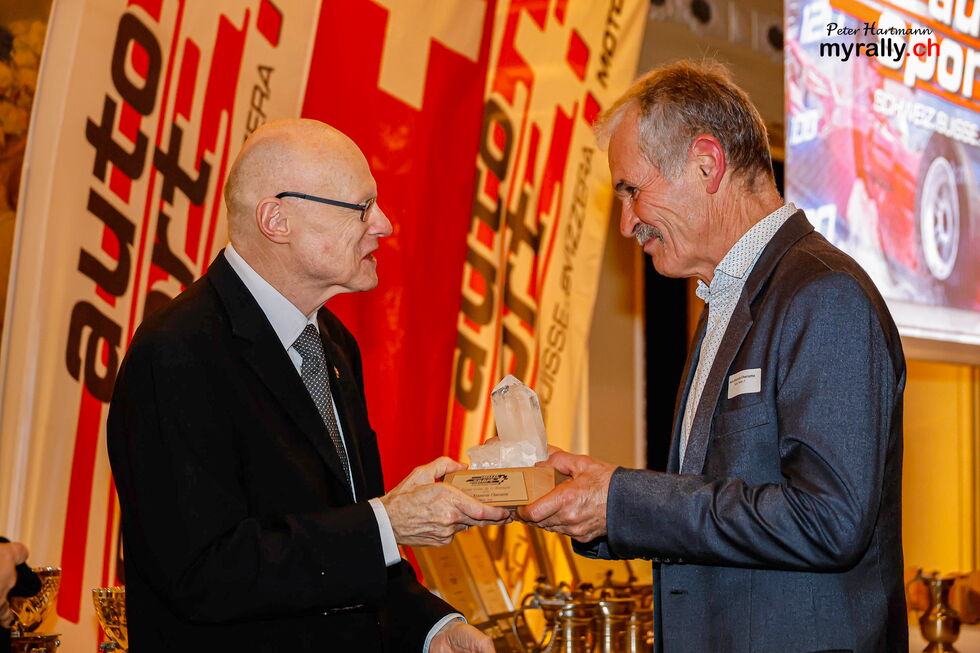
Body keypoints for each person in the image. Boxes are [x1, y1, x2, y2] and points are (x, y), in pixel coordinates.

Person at [517, 61, 907, 652]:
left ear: (706, 163)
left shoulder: (824, 295)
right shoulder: (728, 303)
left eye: (632, 190)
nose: (626, 223)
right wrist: (593, 507)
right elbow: (716, 517)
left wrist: (623, 500)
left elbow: (829, 521)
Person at [107, 119, 510, 652]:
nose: (384, 225)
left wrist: (434, 628)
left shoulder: (334, 343)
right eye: (361, 207)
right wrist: (387, 522)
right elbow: (203, 572)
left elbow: (345, 538)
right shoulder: (178, 351)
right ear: (277, 220)